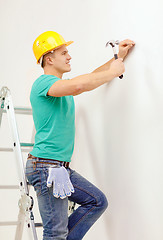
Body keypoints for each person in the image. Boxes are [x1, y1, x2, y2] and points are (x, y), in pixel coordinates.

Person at [25, 31, 135, 240]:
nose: (69, 56)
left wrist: (118, 58)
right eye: (64, 52)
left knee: (96, 202)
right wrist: (113, 72)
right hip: (45, 166)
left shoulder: (61, 85)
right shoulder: (43, 83)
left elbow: (90, 77)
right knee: (55, 232)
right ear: (49, 58)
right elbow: (79, 86)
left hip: (58, 167)